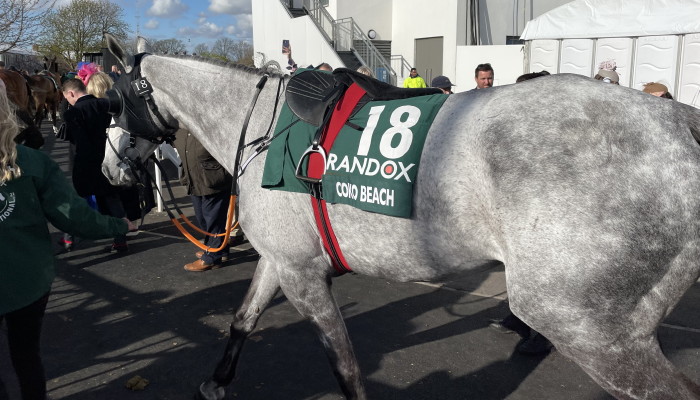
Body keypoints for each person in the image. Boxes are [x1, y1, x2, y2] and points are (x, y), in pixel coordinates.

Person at [0, 78, 135, 400]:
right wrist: (120, 227)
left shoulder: (43, 153)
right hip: (26, 279)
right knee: (26, 356)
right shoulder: (32, 163)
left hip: (25, 278)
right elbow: (74, 217)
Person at [488, 70, 554, 356]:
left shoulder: (548, 127)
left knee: (543, 275)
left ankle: (544, 334)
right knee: (517, 271)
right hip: (519, 211)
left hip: (543, 214)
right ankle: (520, 318)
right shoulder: (522, 125)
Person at [62, 76, 129, 252]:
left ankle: (69, 238)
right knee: (112, 199)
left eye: (67, 98)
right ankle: (120, 238)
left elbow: (80, 141)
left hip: (85, 162)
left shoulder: (72, 113)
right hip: (108, 158)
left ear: (71, 93)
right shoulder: (104, 105)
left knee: (76, 201)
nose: (68, 102)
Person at [175, 131, 234, 271]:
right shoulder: (179, 127)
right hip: (194, 180)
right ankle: (219, 249)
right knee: (203, 219)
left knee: (213, 221)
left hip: (213, 180)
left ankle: (211, 258)